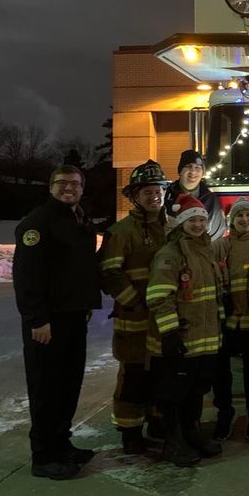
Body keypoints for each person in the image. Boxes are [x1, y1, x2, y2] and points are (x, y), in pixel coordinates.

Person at [13, 165, 101, 480]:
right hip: (47, 323)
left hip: (73, 318)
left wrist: (86, 304)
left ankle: (62, 444)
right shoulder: (38, 223)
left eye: (75, 183)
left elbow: (79, 268)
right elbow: (27, 276)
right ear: (50, 187)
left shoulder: (79, 220)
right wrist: (37, 319)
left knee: (68, 385)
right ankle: (43, 456)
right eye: (62, 183)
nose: (69, 188)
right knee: (46, 388)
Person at [145, 193, 226, 467]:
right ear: (181, 223)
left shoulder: (207, 251)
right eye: (192, 220)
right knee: (173, 392)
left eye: (202, 219)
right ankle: (173, 441)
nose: (198, 224)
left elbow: (214, 295)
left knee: (195, 391)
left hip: (205, 341)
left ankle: (192, 433)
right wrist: (169, 333)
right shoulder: (170, 254)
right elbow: (159, 295)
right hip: (181, 338)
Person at [98, 160, 170, 454]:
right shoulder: (121, 232)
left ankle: (157, 423)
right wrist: (136, 302)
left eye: (158, 191)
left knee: (159, 375)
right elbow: (108, 273)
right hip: (134, 321)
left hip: (162, 320)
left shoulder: (171, 228)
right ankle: (130, 433)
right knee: (133, 378)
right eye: (147, 192)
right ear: (134, 196)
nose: (154, 197)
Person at [208, 197, 249, 441]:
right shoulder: (220, 247)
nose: (244, 220)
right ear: (231, 220)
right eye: (239, 216)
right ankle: (225, 413)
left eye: (248, 215)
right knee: (220, 374)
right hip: (226, 322)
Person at [164, 149, 226, 239]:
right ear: (180, 171)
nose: (193, 171)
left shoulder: (210, 199)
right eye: (188, 166)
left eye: (198, 167)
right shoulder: (166, 195)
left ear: (202, 172)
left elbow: (217, 232)